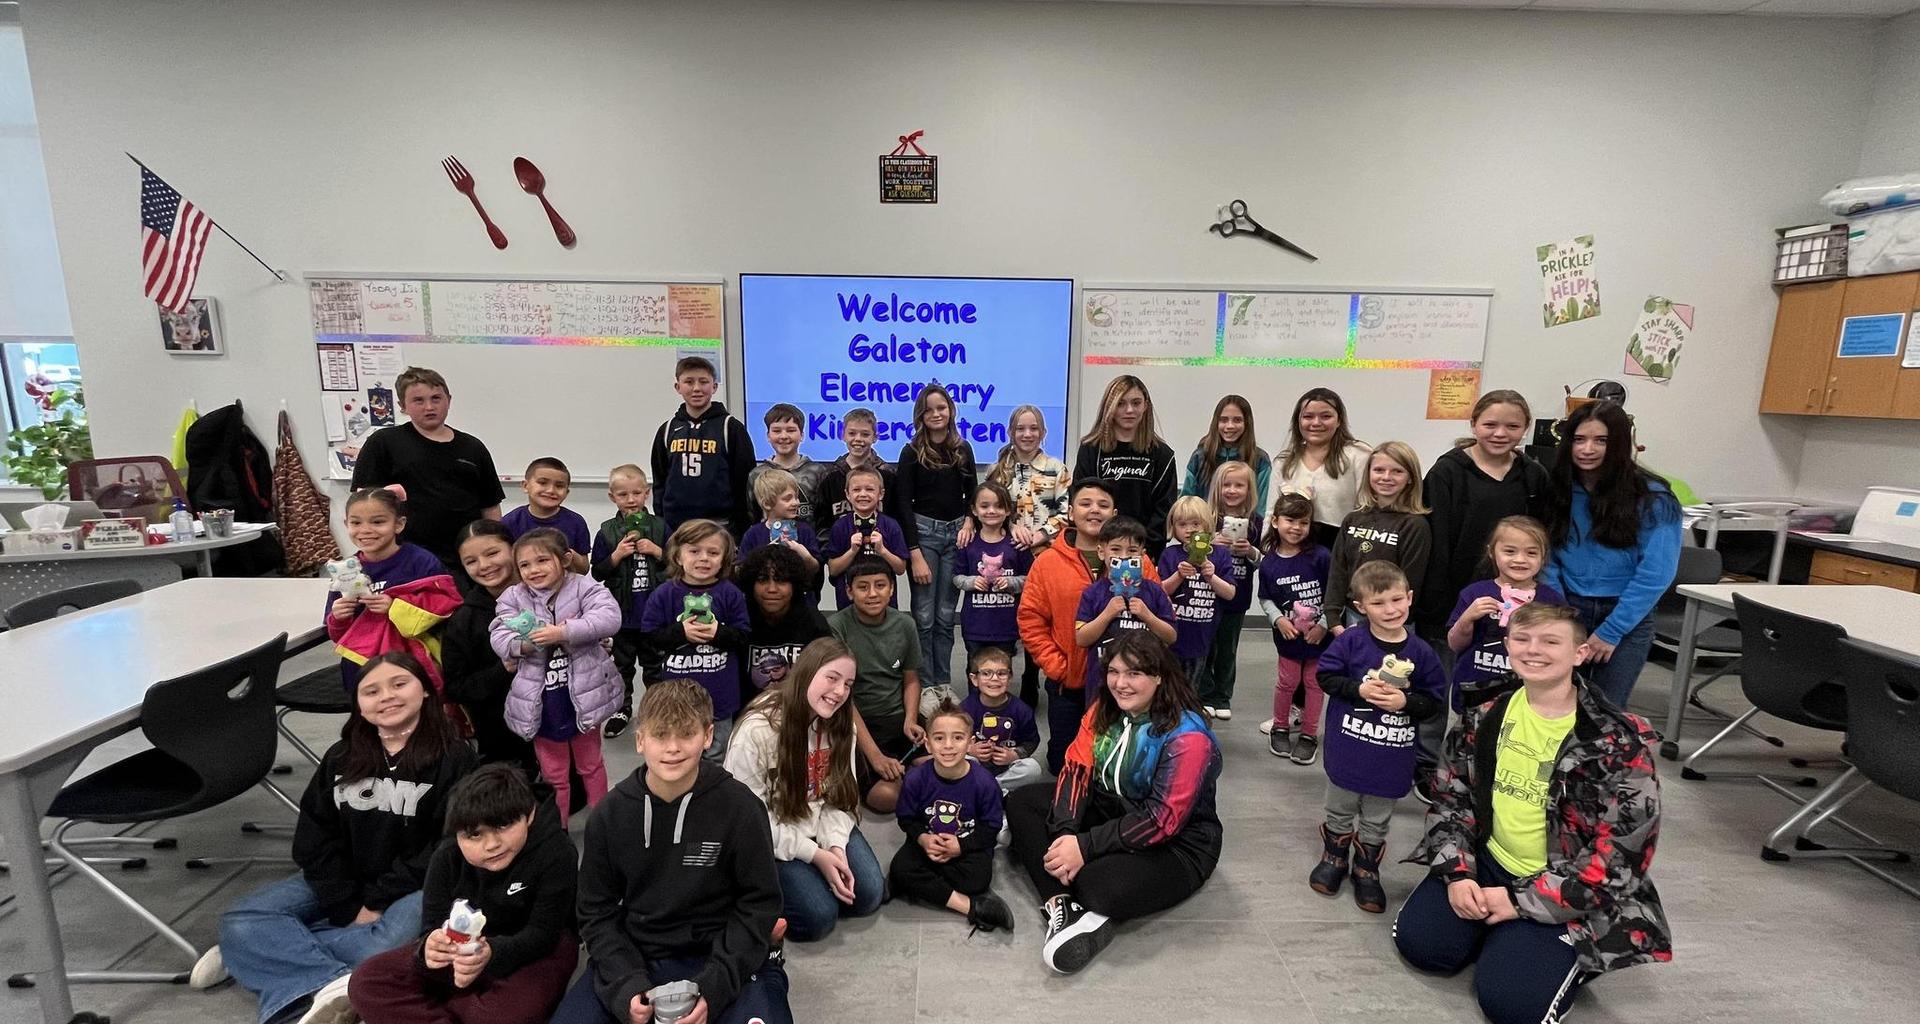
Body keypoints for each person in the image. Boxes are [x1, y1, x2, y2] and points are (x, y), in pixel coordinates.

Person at [1396, 602, 1671, 1024]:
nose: (1533, 650)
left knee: (1513, 1007)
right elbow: (1451, 799)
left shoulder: (1617, 742)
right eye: (1521, 639)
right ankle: (1505, 935)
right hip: (1488, 863)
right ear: (1507, 646)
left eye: (1550, 641)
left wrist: (1519, 902)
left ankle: (1542, 946)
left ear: (1579, 653)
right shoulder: (1485, 714)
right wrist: (1459, 873)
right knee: (1424, 949)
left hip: (1563, 884)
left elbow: (1618, 859)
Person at [202, 653, 476, 1024]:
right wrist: (348, 905)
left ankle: (255, 951)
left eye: (399, 684)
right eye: (371, 691)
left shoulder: (455, 758)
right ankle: (323, 979)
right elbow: (314, 837)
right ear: (358, 705)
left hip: (414, 885)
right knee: (241, 918)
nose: (387, 697)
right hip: (346, 876)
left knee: (391, 946)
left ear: (425, 691)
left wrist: (377, 899)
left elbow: (447, 846)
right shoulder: (342, 756)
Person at [556, 680, 791, 1024]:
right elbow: (595, 912)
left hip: (717, 952)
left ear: (708, 736)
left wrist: (716, 984)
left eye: (686, 734)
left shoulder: (741, 808)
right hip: (637, 953)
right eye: (660, 735)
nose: (673, 748)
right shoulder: (610, 814)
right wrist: (625, 984)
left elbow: (760, 903)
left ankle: (769, 968)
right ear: (639, 740)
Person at [1005, 633, 1223, 975]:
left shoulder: (1187, 737)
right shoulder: (1103, 709)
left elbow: (1162, 820)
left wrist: (1085, 846)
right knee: (1021, 803)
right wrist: (1065, 835)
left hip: (1180, 844)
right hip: (1114, 811)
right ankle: (1061, 905)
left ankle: (1065, 879)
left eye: (1134, 674)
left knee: (1098, 885)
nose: (1120, 684)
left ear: (1159, 676)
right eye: (1114, 672)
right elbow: (1075, 772)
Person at [346, 765, 579, 1024]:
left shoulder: (556, 852)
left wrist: (490, 954)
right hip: (462, 946)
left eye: (503, 826)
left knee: (499, 1015)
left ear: (530, 814)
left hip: (534, 948)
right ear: (457, 834)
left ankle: (444, 1007)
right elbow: (432, 926)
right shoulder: (446, 857)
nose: (492, 844)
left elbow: (543, 934)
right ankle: (459, 1007)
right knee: (366, 981)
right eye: (474, 835)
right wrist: (430, 949)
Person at [724, 640, 886, 943]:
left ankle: (811, 877)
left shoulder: (841, 725)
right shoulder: (757, 730)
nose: (839, 692)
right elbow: (748, 820)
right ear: (806, 673)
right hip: (771, 835)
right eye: (832, 678)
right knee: (817, 919)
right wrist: (815, 856)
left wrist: (835, 847)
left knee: (867, 896)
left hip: (819, 822)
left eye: (848, 684)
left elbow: (841, 798)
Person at [1310, 561, 1446, 914]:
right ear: (1360, 607)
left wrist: (1405, 701)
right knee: (1339, 806)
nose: (1390, 610)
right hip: (1348, 748)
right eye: (1379, 603)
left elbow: (1433, 702)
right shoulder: (1352, 642)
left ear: (1410, 598)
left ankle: (1366, 867)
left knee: (1377, 815)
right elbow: (1326, 677)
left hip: (1392, 756)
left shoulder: (1421, 653)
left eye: (1397, 600)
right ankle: (1334, 856)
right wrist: (1359, 689)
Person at [1542, 402, 1682, 710]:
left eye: (1600, 440)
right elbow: (1546, 554)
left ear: (1619, 443)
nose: (1587, 449)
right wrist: (1561, 613)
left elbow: (1657, 572)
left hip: (1624, 616)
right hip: (1566, 608)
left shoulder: (1653, 496)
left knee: (1604, 711)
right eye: (1579, 439)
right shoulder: (1559, 488)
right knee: (1553, 706)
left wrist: (1613, 630)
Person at [1017, 478, 1161, 775]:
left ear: (1114, 512)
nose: (1094, 510)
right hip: (1070, 685)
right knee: (1064, 765)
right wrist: (1058, 666)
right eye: (1085, 504)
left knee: (1119, 765)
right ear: (1071, 512)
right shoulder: (1048, 562)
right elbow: (1030, 619)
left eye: (1103, 505)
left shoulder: (1138, 561)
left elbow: (1158, 611)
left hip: (1126, 687)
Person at [490, 528, 624, 827]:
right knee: (553, 773)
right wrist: (523, 644)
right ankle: (558, 826)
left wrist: (563, 632)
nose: (533, 570)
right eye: (524, 565)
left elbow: (610, 618)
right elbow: (499, 634)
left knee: (591, 764)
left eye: (541, 561)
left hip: (583, 697)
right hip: (541, 702)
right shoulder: (513, 596)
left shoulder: (584, 588)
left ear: (564, 559)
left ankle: (603, 821)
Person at [1416, 390, 1551, 639]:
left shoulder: (1534, 476)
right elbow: (1437, 544)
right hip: (1451, 601)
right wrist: (1435, 606)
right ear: (1473, 424)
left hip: (1515, 602)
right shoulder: (1446, 473)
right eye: (1490, 424)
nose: (1500, 434)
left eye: (1512, 426)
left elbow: (1541, 540)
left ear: (1525, 428)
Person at [350, 366, 504, 570]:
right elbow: (364, 502)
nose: (429, 407)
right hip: (406, 558)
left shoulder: (473, 447)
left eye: (436, 398)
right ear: (402, 405)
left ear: (448, 400)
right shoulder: (383, 443)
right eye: (418, 400)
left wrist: (496, 549)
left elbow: (490, 507)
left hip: (466, 559)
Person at [888, 700, 1016, 933]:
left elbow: (991, 827)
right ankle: (970, 907)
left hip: (967, 846)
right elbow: (907, 819)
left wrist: (961, 845)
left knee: (978, 879)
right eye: (939, 738)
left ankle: (918, 885)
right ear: (927, 744)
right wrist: (923, 839)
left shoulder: (984, 783)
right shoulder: (916, 779)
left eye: (957, 738)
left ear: (969, 743)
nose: (948, 746)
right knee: (901, 866)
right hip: (928, 843)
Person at [326, 487, 460, 694]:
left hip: (412, 663)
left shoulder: (421, 562)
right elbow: (337, 634)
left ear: (399, 524)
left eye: (378, 522)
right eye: (356, 522)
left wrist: (396, 608)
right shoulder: (346, 571)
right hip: (362, 666)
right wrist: (338, 617)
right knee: (366, 721)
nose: (365, 530)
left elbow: (446, 609)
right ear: (346, 524)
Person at [640, 520, 751, 761]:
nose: (704, 558)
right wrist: (681, 633)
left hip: (720, 697)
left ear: (724, 559)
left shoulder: (730, 593)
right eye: (694, 551)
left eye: (713, 553)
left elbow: (744, 636)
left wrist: (718, 634)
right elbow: (649, 637)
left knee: (717, 754)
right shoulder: (664, 594)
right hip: (677, 697)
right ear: (678, 556)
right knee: (679, 751)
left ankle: (710, 797)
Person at [895, 385, 979, 699]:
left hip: (956, 534)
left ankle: (943, 684)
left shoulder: (962, 448)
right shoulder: (911, 451)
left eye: (941, 408)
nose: (936, 414)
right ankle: (925, 685)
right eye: (929, 409)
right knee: (924, 617)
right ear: (921, 414)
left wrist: (970, 519)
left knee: (946, 616)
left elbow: (973, 493)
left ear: (950, 410)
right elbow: (903, 503)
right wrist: (914, 552)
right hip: (924, 535)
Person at [986, 404, 1071, 709]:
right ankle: (1001, 674)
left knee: (1039, 616)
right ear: (1010, 432)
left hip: (1045, 554)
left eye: (1033, 428)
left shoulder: (1056, 468)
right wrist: (1010, 526)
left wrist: (1040, 534)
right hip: (1006, 553)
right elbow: (989, 507)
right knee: (1010, 616)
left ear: (1043, 433)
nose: (1027, 434)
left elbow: (1065, 512)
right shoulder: (999, 470)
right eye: (1020, 428)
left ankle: (1031, 675)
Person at [827, 555, 925, 814]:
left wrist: (911, 720)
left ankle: (909, 776)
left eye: (880, 585)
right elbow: (839, 697)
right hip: (857, 722)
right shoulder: (837, 627)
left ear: (892, 589)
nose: (872, 594)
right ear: (849, 592)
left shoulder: (905, 624)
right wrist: (875, 756)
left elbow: (911, 678)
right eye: (862, 587)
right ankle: (904, 779)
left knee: (945, 762)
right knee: (885, 798)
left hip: (897, 717)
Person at [1446, 516, 1568, 707]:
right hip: (1473, 691)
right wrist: (1466, 618)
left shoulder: (1552, 602)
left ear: (1543, 557)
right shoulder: (1474, 593)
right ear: (1492, 552)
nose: (1520, 559)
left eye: (1531, 553)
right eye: (1510, 551)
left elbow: (1561, 652)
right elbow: (1455, 645)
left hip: (1527, 697)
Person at [443, 521, 536, 769]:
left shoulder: (547, 595)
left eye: (493, 553)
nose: (484, 566)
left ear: (514, 549)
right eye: (471, 561)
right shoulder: (463, 621)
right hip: (503, 738)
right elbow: (455, 688)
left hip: (560, 728)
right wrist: (502, 670)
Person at [589, 464, 668, 737]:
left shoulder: (660, 526)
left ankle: (657, 710)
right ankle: (621, 710)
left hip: (654, 613)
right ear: (613, 497)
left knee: (655, 667)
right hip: (621, 613)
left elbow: (678, 566)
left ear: (646, 493)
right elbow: (597, 571)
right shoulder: (607, 532)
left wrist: (657, 551)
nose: (631, 499)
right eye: (623, 495)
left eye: (637, 493)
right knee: (621, 666)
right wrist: (616, 555)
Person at [1323, 442, 1432, 630]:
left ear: (1410, 478)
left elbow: (1411, 581)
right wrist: (1332, 617)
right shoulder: (1353, 519)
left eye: (1397, 471)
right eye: (1379, 470)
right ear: (1369, 475)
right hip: (1355, 615)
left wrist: (1395, 618)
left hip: (1395, 619)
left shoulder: (1414, 525)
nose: (1386, 477)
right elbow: (1338, 571)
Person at [1256, 491, 1331, 763]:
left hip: (1319, 639)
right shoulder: (1270, 562)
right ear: (1275, 521)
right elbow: (1265, 598)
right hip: (1288, 638)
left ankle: (1309, 734)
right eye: (1290, 520)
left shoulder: (1321, 556)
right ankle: (1280, 726)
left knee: (1314, 683)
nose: (1297, 528)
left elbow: (1335, 595)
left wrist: (1323, 625)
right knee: (1287, 683)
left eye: (1304, 522)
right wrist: (1278, 620)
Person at [650, 356, 756, 537]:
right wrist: (662, 521)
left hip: (721, 525)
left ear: (714, 386)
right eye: (689, 382)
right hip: (676, 526)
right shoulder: (668, 430)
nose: (696, 388)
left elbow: (744, 480)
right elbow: (660, 481)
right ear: (678, 387)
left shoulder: (730, 428)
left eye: (703, 382)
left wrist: (741, 529)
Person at [1073, 375, 1178, 556]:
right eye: (1121, 404)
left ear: (1146, 405)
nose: (1129, 410)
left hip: (1144, 552)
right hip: (1097, 548)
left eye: (1136, 403)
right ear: (1109, 407)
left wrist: (1140, 550)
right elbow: (1081, 502)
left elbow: (1164, 511)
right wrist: (1104, 548)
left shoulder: (1163, 455)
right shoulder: (1090, 450)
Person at [1073, 515, 1177, 693]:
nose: (1123, 558)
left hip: (1145, 683)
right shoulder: (1092, 593)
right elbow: (1081, 639)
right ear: (1101, 552)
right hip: (1102, 683)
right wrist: (1107, 614)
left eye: (1132, 551)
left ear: (1143, 555)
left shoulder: (1154, 591)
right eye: (1115, 549)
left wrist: (1147, 616)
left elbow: (1171, 636)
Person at [1194, 459, 1264, 720]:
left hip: (1237, 598)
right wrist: (1211, 543)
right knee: (1205, 646)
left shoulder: (1255, 522)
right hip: (1206, 596)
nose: (1232, 490)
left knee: (1227, 649)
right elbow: (1192, 551)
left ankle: (1222, 696)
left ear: (1249, 490)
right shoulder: (1207, 519)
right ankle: (1203, 693)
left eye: (1239, 485)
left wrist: (1251, 551)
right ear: (1217, 487)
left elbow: (1264, 562)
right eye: (1227, 484)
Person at [1274, 387, 1370, 549]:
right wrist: (1269, 555)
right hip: (1294, 553)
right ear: (1298, 421)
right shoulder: (1284, 461)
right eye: (1308, 416)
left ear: (1339, 420)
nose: (1316, 423)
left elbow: (1367, 511)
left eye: (1325, 416)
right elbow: (1271, 512)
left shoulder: (1359, 455)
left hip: (1342, 551)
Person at [1157, 495, 1236, 684]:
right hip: (1172, 635)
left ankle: (1188, 712)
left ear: (1207, 525)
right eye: (1182, 524)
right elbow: (1161, 591)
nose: (1189, 529)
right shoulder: (1170, 554)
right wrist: (1179, 575)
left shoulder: (1220, 555)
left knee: (1192, 685)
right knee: (1167, 684)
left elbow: (1230, 593)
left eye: (1195, 524)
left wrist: (1211, 577)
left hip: (1202, 635)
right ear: (1173, 527)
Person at [952, 481, 1031, 666]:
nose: (991, 511)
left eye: (999, 506)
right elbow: (956, 577)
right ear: (974, 509)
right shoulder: (968, 542)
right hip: (975, 625)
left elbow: (1030, 579)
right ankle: (974, 697)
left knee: (1002, 669)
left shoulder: (1017, 544)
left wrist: (1012, 582)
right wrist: (971, 582)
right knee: (975, 667)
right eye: (984, 506)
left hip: (1007, 626)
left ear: (1009, 510)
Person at [740, 543, 832, 697]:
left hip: (800, 709)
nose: (772, 589)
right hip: (749, 713)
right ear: (751, 584)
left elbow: (830, 676)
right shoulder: (740, 620)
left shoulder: (813, 622)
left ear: (794, 585)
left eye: (781, 580)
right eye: (763, 580)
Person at [822, 465, 908, 609]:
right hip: (848, 604)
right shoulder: (840, 526)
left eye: (869, 489)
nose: (863, 494)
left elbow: (900, 569)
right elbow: (833, 570)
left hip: (884, 605)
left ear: (881, 494)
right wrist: (852, 551)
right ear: (847, 494)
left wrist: (882, 550)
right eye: (856, 490)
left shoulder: (891, 525)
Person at [959, 646, 1043, 793]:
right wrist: (969, 749)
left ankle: (988, 789)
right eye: (986, 673)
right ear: (974, 679)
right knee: (959, 763)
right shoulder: (965, 708)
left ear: (1010, 678)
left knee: (1033, 769)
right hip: (976, 763)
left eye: (1001, 673)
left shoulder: (1022, 710)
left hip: (1008, 767)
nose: (995, 679)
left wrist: (1015, 754)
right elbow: (954, 739)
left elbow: (1031, 741)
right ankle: (994, 791)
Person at [1181, 394, 1272, 513]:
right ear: (1216, 422)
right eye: (1224, 420)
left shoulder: (1260, 460)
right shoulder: (1200, 457)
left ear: (1247, 423)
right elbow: (1187, 502)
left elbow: (1262, 508)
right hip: (1204, 528)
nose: (1230, 426)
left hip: (1247, 528)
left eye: (1237, 420)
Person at [500, 457, 591, 574]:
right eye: (542, 483)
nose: (551, 490)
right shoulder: (509, 522)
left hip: (566, 588)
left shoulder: (576, 522)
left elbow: (583, 569)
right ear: (525, 485)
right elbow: (506, 566)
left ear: (567, 492)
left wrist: (566, 554)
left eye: (559, 486)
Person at [815, 407, 895, 536]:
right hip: (840, 551)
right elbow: (821, 521)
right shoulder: (830, 475)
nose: (858, 439)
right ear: (843, 435)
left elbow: (895, 516)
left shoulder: (887, 474)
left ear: (875, 437)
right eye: (852, 433)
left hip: (879, 550)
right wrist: (829, 551)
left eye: (865, 434)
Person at [747, 402, 830, 526]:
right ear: (768, 436)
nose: (784, 436)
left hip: (808, 542)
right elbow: (751, 517)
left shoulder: (818, 471)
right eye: (777, 431)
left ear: (801, 435)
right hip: (768, 543)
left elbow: (825, 517)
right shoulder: (757, 474)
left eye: (791, 430)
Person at [740, 467, 824, 581]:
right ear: (767, 504)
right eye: (787, 499)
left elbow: (815, 569)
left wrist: (805, 556)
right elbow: (742, 571)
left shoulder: (804, 530)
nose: (796, 503)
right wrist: (763, 557)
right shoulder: (753, 534)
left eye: (796, 497)